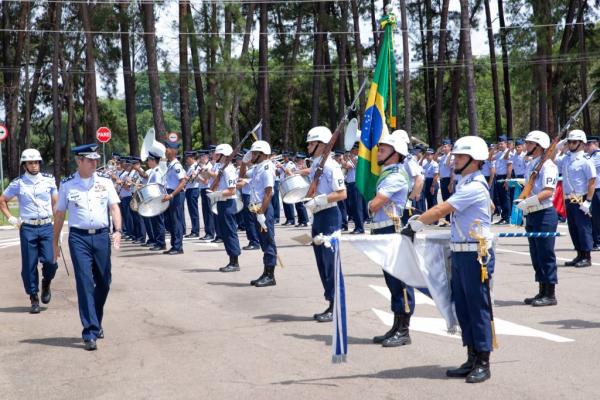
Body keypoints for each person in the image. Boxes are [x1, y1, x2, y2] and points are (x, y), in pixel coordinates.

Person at [402, 136, 495, 383]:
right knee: (463, 307)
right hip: (462, 252)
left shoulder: (474, 186)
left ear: (475, 161)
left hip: (476, 255)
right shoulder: (467, 183)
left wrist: (417, 223)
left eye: (461, 157)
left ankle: (483, 361)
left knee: (477, 308)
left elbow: (442, 209)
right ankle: (471, 356)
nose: (455, 160)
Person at [53, 144, 122, 351]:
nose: (95, 163)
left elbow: (114, 207)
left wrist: (117, 230)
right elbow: (59, 215)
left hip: (101, 237)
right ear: (79, 161)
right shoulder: (67, 185)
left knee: (104, 282)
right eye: (90, 160)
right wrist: (55, 242)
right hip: (78, 238)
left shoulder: (105, 182)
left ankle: (96, 319)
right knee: (84, 283)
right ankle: (90, 331)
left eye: (96, 159)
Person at [366, 133, 414, 347]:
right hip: (382, 230)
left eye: (384, 150)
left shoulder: (395, 176)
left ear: (396, 154)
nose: (379, 152)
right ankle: (396, 326)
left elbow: (376, 204)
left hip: (392, 231)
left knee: (400, 282)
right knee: (392, 282)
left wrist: (369, 205)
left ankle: (404, 330)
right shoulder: (388, 173)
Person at [0, 149, 59, 314]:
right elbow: (2, 200)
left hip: (47, 225)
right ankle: (33, 297)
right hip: (28, 228)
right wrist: (11, 218)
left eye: (36, 162)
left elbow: (56, 202)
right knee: (29, 265)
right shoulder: (18, 183)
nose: (34, 165)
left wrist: (58, 225)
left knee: (50, 261)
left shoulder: (49, 180)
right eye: (30, 163)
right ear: (24, 165)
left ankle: (46, 281)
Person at [298, 126, 347, 322]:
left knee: (330, 263)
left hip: (329, 215)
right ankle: (330, 302)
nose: (308, 146)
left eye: (311, 143)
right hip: (318, 216)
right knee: (321, 262)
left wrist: (320, 200)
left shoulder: (330, 165)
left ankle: (337, 305)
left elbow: (342, 193)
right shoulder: (318, 163)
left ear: (322, 144)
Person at [515, 131, 559, 306]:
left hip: (544, 213)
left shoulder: (548, 166)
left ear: (539, 146)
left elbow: (548, 191)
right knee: (536, 254)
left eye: (529, 143)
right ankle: (541, 290)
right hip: (533, 213)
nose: (526, 146)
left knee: (546, 254)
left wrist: (528, 202)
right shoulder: (533, 164)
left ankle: (550, 293)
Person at [239, 140, 278, 286]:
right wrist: (244, 162)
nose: (252, 155)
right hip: (256, 207)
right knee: (263, 241)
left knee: (268, 241)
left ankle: (270, 275)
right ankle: (266, 272)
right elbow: (241, 176)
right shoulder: (257, 167)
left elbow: (268, 193)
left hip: (263, 208)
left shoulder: (267, 168)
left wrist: (262, 212)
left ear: (263, 154)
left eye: (255, 153)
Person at [555, 130, 596, 267]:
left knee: (583, 228)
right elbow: (551, 159)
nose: (570, 144)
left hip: (580, 198)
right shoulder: (566, 158)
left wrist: (588, 201)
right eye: (569, 142)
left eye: (574, 142)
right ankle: (579, 254)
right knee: (573, 228)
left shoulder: (585, 161)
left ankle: (587, 256)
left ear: (581, 143)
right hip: (568, 198)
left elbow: (591, 181)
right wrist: (558, 146)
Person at [208, 144, 242, 271]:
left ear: (223, 155)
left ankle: (234, 261)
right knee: (225, 232)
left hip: (228, 203)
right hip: (223, 202)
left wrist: (216, 194)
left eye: (217, 154)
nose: (214, 156)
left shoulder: (228, 170)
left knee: (229, 232)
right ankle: (231, 260)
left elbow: (232, 191)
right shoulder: (223, 168)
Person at [161, 142, 186, 255]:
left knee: (176, 221)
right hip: (170, 193)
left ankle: (178, 246)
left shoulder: (176, 165)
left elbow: (182, 182)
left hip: (176, 194)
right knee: (170, 220)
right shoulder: (170, 164)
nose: (165, 151)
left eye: (167, 149)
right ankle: (174, 245)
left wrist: (172, 195)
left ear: (172, 151)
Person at [239, 153, 261, 250]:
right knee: (251, 220)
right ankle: (255, 240)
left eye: (247, 159)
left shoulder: (253, 170)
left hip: (250, 197)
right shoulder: (249, 170)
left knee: (250, 220)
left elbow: (242, 183)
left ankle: (254, 241)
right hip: (247, 196)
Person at [584, 136, 600, 251]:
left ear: (595, 144)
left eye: (588, 145)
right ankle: (596, 240)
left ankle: (598, 241)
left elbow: (586, 165)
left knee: (597, 216)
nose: (586, 147)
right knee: (594, 216)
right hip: (594, 190)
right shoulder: (591, 156)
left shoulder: (597, 156)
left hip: (598, 189)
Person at [492, 135, 512, 224]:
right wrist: (494, 148)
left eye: (501, 144)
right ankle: (503, 217)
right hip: (498, 177)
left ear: (506, 144)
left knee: (505, 197)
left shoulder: (508, 153)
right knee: (500, 197)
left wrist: (507, 179)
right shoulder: (499, 153)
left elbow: (509, 167)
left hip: (504, 177)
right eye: (499, 144)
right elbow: (490, 158)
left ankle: (507, 217)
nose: (500, 145)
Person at [184, 151, 201, 238]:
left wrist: (184, 177)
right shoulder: (191, 167)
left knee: (194, 211)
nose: (186, 160)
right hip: (189, 189)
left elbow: (191, 180)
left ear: (191, 158)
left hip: (193, 189)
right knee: (191, 211)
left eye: (187, 158)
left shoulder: (195, 167)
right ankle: (194, 230)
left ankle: (195, 230)